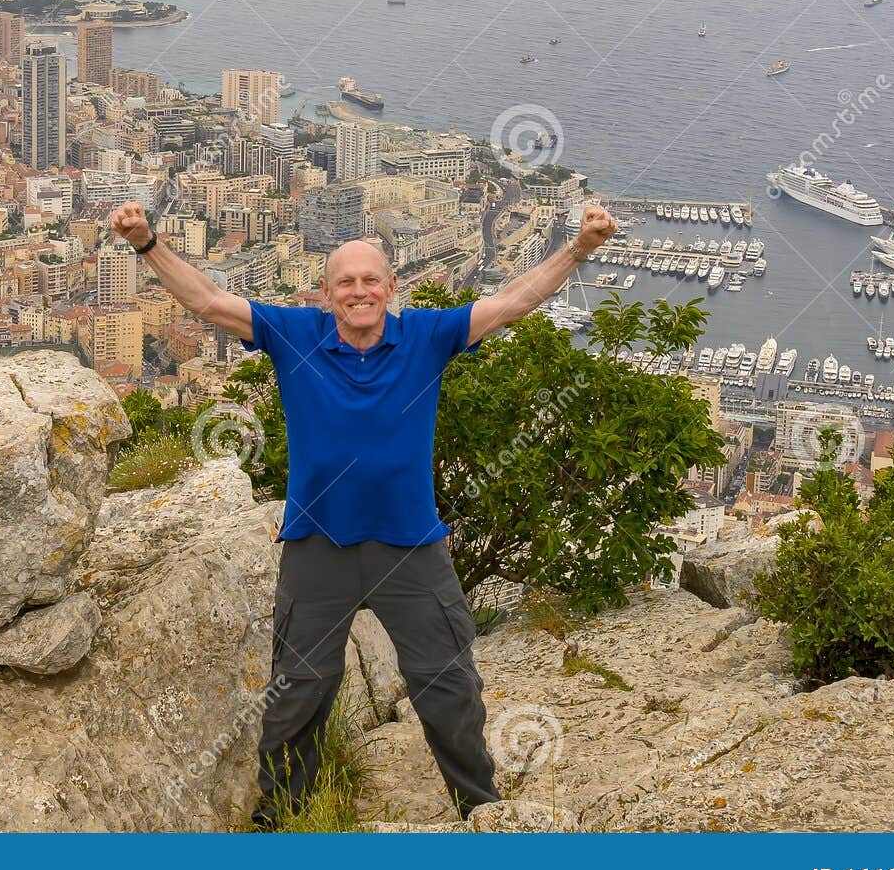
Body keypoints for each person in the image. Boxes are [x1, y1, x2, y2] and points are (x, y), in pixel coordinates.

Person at [108, 199, 618, 827]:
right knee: (298, 692)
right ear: (326, 294)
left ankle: (480, 811)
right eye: (345, 282)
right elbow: (209, 303)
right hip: (318, 544)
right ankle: (286, 822)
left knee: (449, 686)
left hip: (410, 545)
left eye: (369, 280)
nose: (358, 291)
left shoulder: (427, 338)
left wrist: (581, 248)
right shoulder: (295, 335)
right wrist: (146, 242)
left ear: (390, 287)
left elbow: (513, 301)